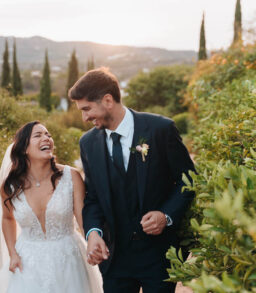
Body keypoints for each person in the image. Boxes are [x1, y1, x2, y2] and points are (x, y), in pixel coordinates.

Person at [69, 67, 196, 293]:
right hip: (114, 258)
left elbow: (188, 180)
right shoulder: (87, 143)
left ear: (108, 100)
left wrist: (165, 215)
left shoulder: (160, 129)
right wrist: (93, 233)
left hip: (158, 256)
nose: (85, 117)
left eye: (87, 109)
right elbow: (93, 198)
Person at [0, 121, 102, 293]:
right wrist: (12, 253)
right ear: (24, 148)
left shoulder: (71, 177)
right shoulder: (10, 186)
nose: (47, 138)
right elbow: (7, 217)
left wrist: (93, 242)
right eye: (38, 135)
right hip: (27, 263)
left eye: (48, 135)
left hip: (68, 260)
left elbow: (82, 218)